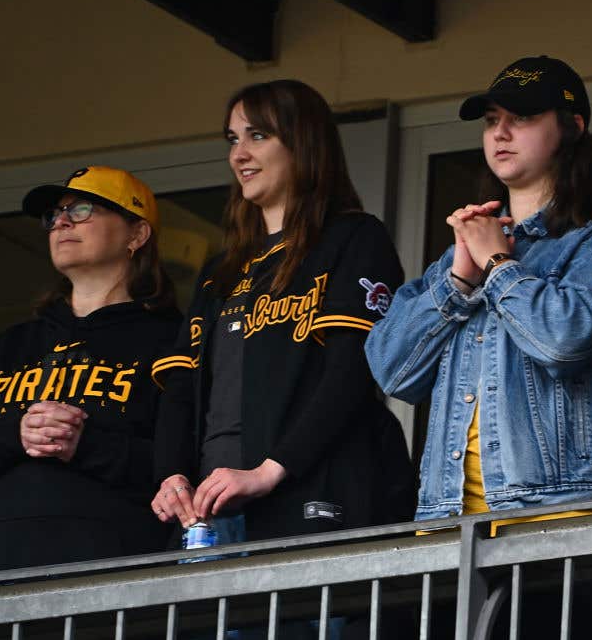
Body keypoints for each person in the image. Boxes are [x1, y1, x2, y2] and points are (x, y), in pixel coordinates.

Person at [365, 56, 592, 529]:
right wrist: (458, 279)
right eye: (493, 121)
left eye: (523, 118)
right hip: (450, 518)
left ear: (572, 127)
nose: (500, 133)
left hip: (561, 510)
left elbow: (562, 342)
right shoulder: (462, 257)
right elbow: (392, 371)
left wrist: (498, 265)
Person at [149, 80, 412, 547]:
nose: (239, 155)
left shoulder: (353, 238)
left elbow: (352, 371)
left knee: (304, 621)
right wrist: (172, 477)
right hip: (209, 513)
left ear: (303, 142)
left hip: (313, 498)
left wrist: (269, 471)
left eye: (257, 136)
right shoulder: (219, 273)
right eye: (233, 139)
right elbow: (181, 390)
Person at [0, 166, 180, 573]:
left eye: (83, 209)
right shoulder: (6, 349)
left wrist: (84, 443)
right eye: (54, 215)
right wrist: (16, 433)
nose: (61, 222)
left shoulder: (171, 341)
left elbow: (187, 465)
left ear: (136, 235)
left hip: (118, 576)